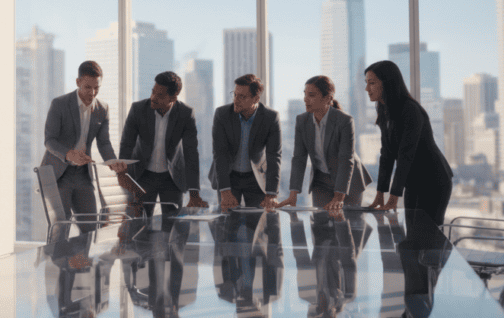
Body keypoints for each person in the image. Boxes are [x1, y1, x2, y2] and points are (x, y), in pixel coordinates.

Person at [364, 60, 453, 226]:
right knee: (411, 236)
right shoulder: (384, 108)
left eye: (372, 83)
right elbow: (387, 155)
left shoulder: (410, 110)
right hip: (413, 180)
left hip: (434, 180)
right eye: (366, 83)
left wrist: (393, 197)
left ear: (387, 83)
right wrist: (380, 192)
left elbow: (406, 155)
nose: (367, 89)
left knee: (427, 237)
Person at [42, 61, 125, 229]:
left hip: (83, 175)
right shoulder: (59, 104)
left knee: (91, 228)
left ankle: (84, 257)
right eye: (88, 87)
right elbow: (49, 140)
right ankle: (56, 257)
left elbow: (104, 143)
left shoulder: (103, 109)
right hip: (59, 174)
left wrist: (113, 162)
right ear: (78, 82)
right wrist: (69, 154)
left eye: (97, 88)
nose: (92, 93)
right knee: (61, 227)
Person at [118, 71, 206, 216]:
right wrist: (123, 174)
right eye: (153, 92)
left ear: (173, 97)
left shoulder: (185, 114)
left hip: (172, 179)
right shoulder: (138, 109)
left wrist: (194, 193)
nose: (153, 97)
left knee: (173, 230)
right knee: (138, 226)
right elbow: (127, 144)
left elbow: (191, 154)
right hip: (142, 176)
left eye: (160, 95)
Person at [280, 76, 370, 210]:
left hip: (349, 180)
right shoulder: (302, 120)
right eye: (305, 94)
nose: (305, 99)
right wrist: (293, 194)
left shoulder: (344, 121)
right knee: (321, 225)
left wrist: (339, 197)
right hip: (321, 181)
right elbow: (299, 158)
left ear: (328, 98)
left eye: (311, 95)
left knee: (348, 224)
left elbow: (346, 159)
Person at [208, 74, 282, 210]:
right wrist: (224, 191)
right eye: (235, 95)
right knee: (226, 224)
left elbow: (274, 156)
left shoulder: (270, 118)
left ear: (256, 98)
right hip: (228, 177)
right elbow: (220, 154)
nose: (236, 100)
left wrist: (271, 193)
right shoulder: (222, 114)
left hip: (256, 179)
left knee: (259, 226)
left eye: (242, 97)